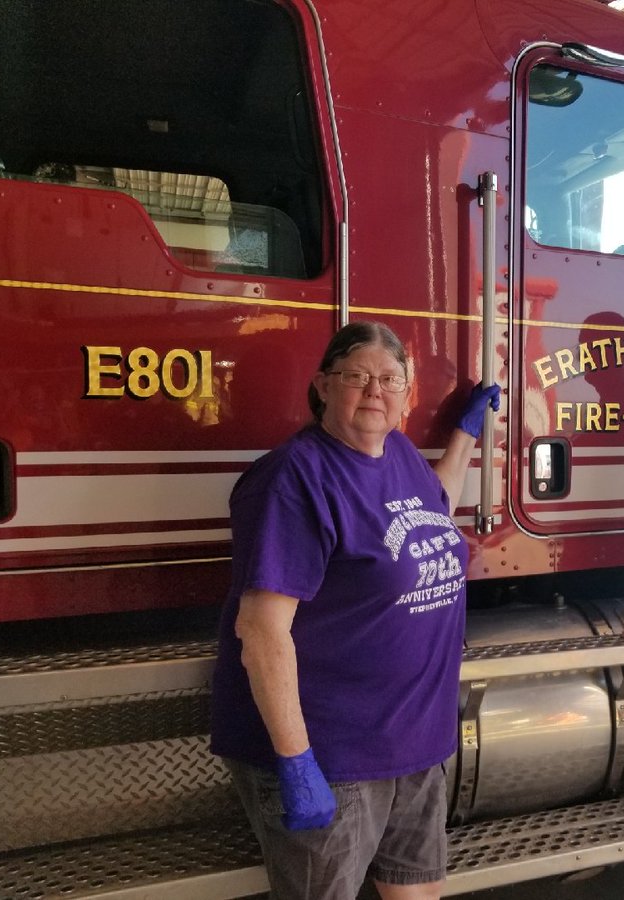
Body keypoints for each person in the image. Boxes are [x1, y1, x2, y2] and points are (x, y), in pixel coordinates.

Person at [210, 321, 500, 900]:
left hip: (413, 740)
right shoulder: (294, 479)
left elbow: (433, 506)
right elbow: (261, 631)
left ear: (407, 393)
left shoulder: (399, 454)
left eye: (391, 379)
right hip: (335, 751)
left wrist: (466, 435)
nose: (375, 391)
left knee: (418, 894)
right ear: (323, 385)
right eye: (357, 376)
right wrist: (296, 762)